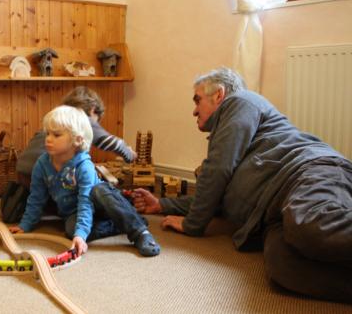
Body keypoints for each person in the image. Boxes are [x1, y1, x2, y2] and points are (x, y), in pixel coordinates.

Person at [133, 67, 352, 302]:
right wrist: (162, 204)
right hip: (272, 211)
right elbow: (213, 196)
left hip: (307, 171)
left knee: (309, 224)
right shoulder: (233, 146)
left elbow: (217, 169)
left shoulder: (241, 101)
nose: (194, 111)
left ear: (219, 94)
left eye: (198, 100)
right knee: (283, 266)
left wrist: (192, 225)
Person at [9, 105, 159, 257]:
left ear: (77, 140)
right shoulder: (42, 164)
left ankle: (139, 231)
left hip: (99, 202)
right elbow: (36, 197)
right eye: (47, 133)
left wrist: (81, 235)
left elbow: (85, 201)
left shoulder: (84, 166)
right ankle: (121, 222)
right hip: (76, 211)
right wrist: (25, 224)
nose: (48, 139)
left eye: (56, 135)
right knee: (71, 230)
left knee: (98, 190)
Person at [2, 86, 136, 223]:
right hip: (47, 174)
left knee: (54, 191)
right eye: (98, 120)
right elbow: (111, 142)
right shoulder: (80, 120)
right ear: (92, 110)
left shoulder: (58, 121)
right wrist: (129, 155)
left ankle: (39, 206)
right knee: (76, 186)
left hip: (23, 173)